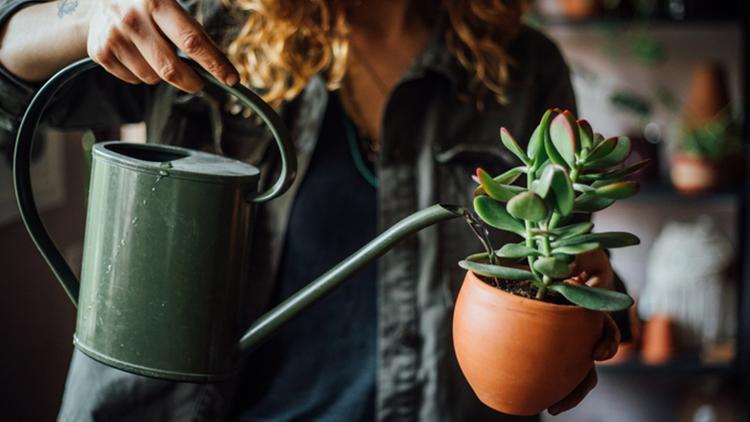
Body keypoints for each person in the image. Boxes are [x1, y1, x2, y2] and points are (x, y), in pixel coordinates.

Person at [0, 0, 628, 420]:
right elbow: (12, 67)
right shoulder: (211, 28)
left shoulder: (523, 69)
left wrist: (581, 298)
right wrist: (88, 15)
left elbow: (571, 252)